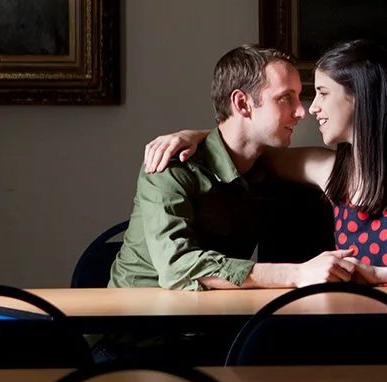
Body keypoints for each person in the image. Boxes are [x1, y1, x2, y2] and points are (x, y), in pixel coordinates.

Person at [143, 38, 387, 287]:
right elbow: (242, 143)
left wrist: (379, 274)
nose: (310, 109)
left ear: (361, 98)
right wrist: (196, 136)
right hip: (357, 327)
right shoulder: (328, 170)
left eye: (322, 93)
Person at [110, 44, 362, 292]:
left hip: (215, 319)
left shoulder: (267, 168)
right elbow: (176, 267)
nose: (301, 111)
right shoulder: (171, 166)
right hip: (137, 321)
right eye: (286, 98)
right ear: (242, 104)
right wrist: (297, 273)